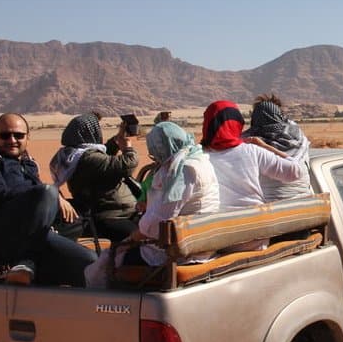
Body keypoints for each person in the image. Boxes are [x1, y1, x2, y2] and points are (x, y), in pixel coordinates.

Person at [0, 113, 96, 286]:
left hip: (31, 234)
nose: (12, 140)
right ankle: (27, 262)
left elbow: (41, 198)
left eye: (18, 135)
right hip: (0, 237)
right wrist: (47, 194)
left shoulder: (27, 164)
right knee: (47, 193)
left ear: (27, 138)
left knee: (88, 255)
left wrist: (54, 197)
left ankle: (34, 269)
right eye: (5, 135)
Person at [201, 100, 308, 232]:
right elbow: (295, 172)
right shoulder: (254, 150)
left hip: (222, 232)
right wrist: (264, 146)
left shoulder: (200, 158)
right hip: (257, 231)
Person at [126, 121, 220, 266]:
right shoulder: (199, 158)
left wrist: (131, 239)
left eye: (156, 153)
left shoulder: (181, 170)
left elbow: (159, 222)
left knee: (115, 257)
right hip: (202, 245)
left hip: (178, 254)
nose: (156, 159)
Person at [50, 112, 140, 243]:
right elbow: (128, 164)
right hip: (112, 215)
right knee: (142, 239)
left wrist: (117, 139)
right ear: (90, 131)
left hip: (115, 211)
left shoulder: (76, 154)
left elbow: (103, 159)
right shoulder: (88, 158)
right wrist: (128, 149)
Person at [241, 94, 312, 200]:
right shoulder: (299, 140)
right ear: (279, 116)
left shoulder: (250, 146)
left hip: (268, 210)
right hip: (305, 203)